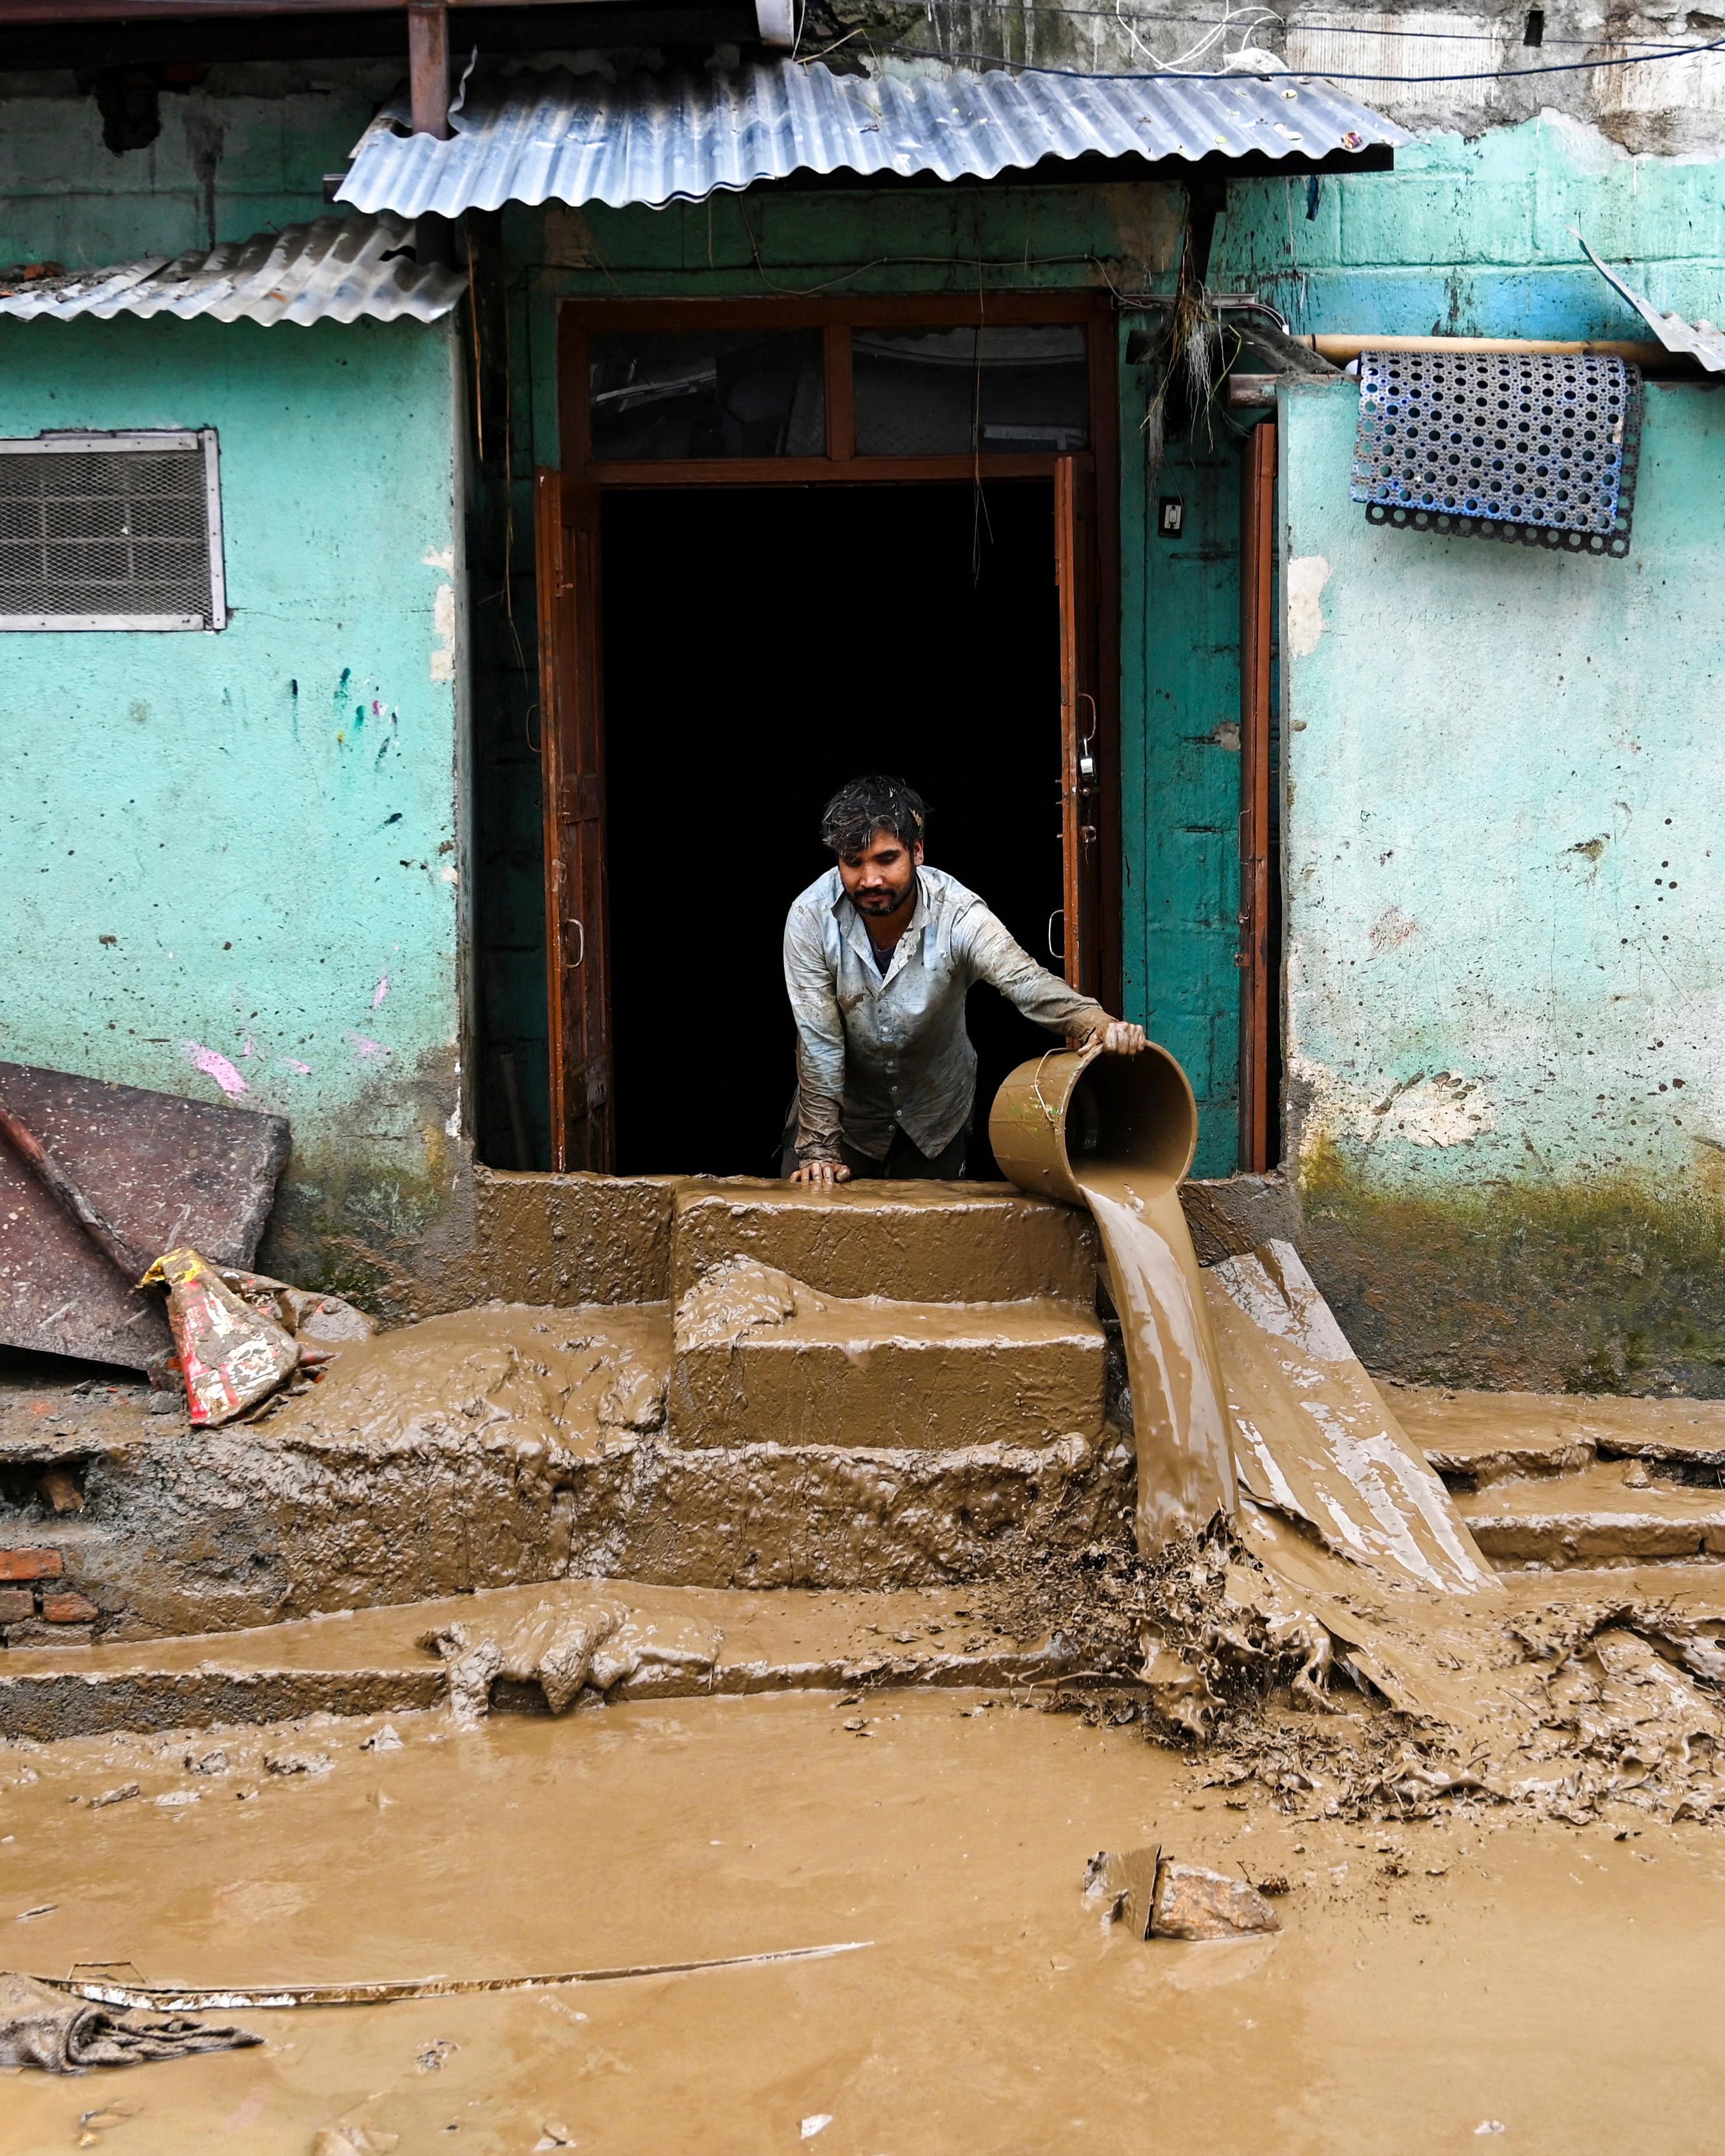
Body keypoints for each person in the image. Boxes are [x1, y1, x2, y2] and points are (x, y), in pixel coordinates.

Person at [781, 775, 1147, 1184]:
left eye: (886, 860)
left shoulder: (958, 914)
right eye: (853, 862)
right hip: (841, 1121)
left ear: (917, 852)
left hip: (934, 1118)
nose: (870, 880)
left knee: (932, 1242)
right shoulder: (810, 918)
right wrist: (818, 1150)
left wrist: (1094, 1023)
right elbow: (819, 1042)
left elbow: (1022, 979)